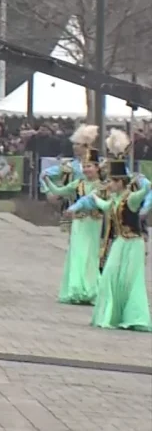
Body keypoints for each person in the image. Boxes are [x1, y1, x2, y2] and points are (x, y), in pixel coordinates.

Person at [71, 130, 150, 331]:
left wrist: (141, 183)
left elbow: (147, 188)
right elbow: (102, 205)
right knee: (109, 276)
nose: (110, 184)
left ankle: (134, 317)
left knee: (130, 281)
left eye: (114, 181)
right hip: (120, 242)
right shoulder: (113, 200)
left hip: (134, 243)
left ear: (122, 182)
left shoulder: (131, 198)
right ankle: (110, 316)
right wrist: (82, 204)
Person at [41, 124, 105, 305]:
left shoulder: (101, 169)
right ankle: (77, 286)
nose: (74, 147)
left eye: (78, 144)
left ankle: (91, 287)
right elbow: (59, 187)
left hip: (95, 215)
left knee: (93, 254)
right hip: (77, 215)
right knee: (77, 252)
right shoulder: (71, 167)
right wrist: (48, 188)